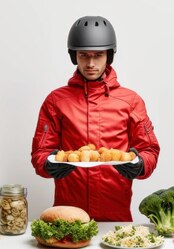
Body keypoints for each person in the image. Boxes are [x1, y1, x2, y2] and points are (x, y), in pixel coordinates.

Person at [30, 16, 160, 221]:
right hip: (68, 216)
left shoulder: (131, 101)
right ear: (74, 56)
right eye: (83, 55)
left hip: (116, 214)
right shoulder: (56, 101)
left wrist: (140, 163)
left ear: (109, 56)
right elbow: (40, 153)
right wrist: (49, 163)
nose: (90, 63)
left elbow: (150, 150)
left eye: (98, 55)